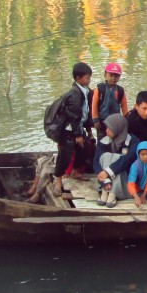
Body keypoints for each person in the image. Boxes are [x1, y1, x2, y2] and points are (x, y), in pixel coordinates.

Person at [31, 62, 94, 203]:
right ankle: (58, 179)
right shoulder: (74, 94)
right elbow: (74, 116)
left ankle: (77, 172)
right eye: (87, 78)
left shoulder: (84, 92)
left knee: (84, 149)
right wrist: (78, 134)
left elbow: (85, 114)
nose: (89, 80)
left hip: (78, 128)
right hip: (68, 130)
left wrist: (88, 130)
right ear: (78, 78)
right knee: (65, 154)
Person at [94, 113, 140, 208]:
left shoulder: (133, 141)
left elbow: (128, 160)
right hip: (106, 182)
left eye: (109, 128)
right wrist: (104, 180)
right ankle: (105, 191)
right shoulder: (105, 141)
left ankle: (113, 193)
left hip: (125, 180)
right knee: (106, 156)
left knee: (118, 158)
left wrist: (108, 172)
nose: (106, 131)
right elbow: (96, 161)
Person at [90, 62, 128, 140]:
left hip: (115, 121)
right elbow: (94, 105)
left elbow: (124, 106)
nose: (113, 78)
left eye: (116, 76)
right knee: (102, 140)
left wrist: (126, 119)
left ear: (119, 77)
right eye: (111, 75)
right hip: (102, 121)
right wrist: (95, 120)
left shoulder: (120, 90)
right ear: (105, 75)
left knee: (115, 139)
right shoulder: (100, 89)